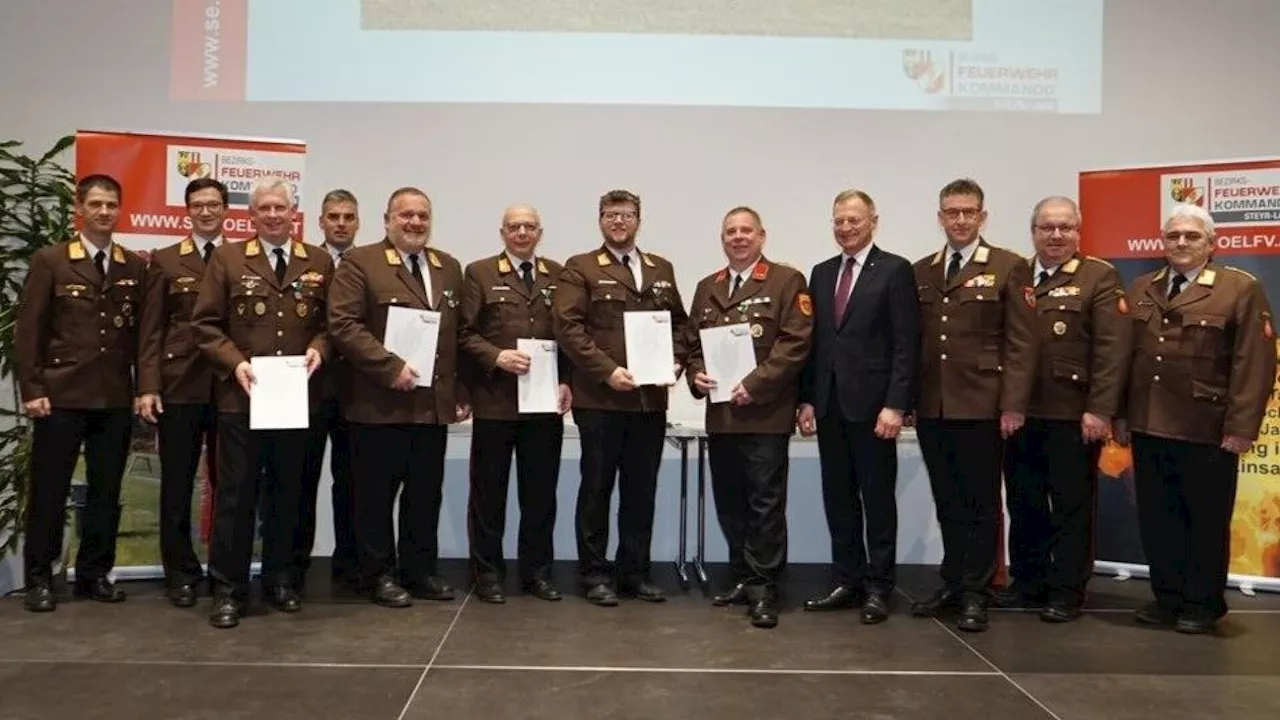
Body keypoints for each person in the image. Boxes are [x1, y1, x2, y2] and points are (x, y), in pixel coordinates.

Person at [1114, 202, 1277, 634]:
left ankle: (1202, 603)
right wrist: (1122, 416)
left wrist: (1242, 427)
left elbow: (1254, 364)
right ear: (1162, 242)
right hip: (1149, 423)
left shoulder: (1239, 289)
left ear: (1212, 243)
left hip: (1206, 428)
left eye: (1191, 236)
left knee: (1204, 521)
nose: (1181, 243)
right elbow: (1125, 359)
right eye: (1173, 236)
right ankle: (1167, 599)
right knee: (1157, 518)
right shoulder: (1143, 287)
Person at [191, 177, 334, 628]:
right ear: (251, 216)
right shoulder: (229, 258)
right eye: (265, 208)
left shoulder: (319, 260)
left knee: (288, 494)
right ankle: (228, 591)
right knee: (236, 497)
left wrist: (320, 348)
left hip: (295, 400)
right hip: (243, 398)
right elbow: (206, 325)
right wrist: (234, 363)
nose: (274, 215)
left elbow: (334, 324)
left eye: (281, 208)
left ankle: (281, 581)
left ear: (295, 213)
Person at [327, 186, 470, 608]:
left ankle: (420, 570)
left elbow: (454, 336)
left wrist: (459, 389)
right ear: (387, 219)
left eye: (423, 215)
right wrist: (391, 367)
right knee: (373, 498)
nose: (415, 222)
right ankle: (378, 574)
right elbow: (343, 325)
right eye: (405, 215)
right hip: (378, 405)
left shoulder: (448, 267)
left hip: (430, 407)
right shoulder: (361, 262)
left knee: (425, 495)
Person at [909, 177, 1040, 633]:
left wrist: (1014, 404)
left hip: (984, 405)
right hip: (934, 405)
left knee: (981, 501)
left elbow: (1023, 343)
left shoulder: (1009, 266)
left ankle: (976, 591)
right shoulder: (922, 269)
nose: (960, 220)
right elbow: (916, 344)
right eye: (951, 212)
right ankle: (953, 579)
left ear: (982, 216)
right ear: (940, 217)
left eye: (968, 212)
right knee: (947, 500)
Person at [15, 174, 148, 612]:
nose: (105, 211)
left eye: (112, 204)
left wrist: (142, 387)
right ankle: (40, 578)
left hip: (112, 397)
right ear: (80, 208)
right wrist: (32, 388)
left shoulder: (132, 265)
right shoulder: (51, 261)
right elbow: (28, 331)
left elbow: (141, 336)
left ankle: (95, 574)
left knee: (106, 492)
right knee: (50, 492)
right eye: (96, 204)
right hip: (61, 396)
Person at [997, 196, 1130, 622]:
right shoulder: (1016, 274)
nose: (1056, 235)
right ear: (1033, 232)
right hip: (1019, 413)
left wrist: (1100, 409)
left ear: (1078, 231)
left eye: (1065, 228)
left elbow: (1112, 350)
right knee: (1024, 501)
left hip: (1074, 415)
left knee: (1071, 505)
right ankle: (1028, 582)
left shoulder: (1099, 277)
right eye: (1047, 228)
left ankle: (1067, 590)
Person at [553, 189, 689, 606]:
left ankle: (635, 572)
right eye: (610, 215)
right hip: (600, 401)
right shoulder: (580, 268)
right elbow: (568, 327)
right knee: (596, 490)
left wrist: (677, 363)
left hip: (648, 403)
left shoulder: (660, 268)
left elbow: (681, 327)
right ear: (600, 220)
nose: (618, 222)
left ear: (638, 220)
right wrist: (607, 371)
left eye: (626, 214)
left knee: (640, 491)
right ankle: (594, 575)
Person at [686, 206, 812, 628]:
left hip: (764, 414)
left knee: (765, 505)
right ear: (723, 239)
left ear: (762, 235)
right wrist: (696, 375)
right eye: (730, 232)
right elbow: (691, 345)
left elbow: (795, 345)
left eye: (746, 231)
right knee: (731, 504)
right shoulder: (708, 287)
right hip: (721, 416)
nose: (738, 238)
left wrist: (754, 385)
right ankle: (743, 577)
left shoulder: (786, 281)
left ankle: (765, 587)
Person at [797, 189, 919, 624]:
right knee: (839, 500)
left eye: (853, 220)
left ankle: (879, 587)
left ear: (873, 221)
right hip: (830, 407)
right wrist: (808, 397)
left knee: (878, 501)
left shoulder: (895, 270)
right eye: (839, 221)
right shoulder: (821, 272)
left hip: (874, 412)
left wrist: (896, 405)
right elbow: (816, 345)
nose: (845, 228)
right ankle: (846, 581)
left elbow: (906, 345)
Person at [459, 204, 571, 603]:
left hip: (543, 403)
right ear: (502, 232)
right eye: (514, 227)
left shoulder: (559, 275)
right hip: (495, 403)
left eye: (529, 226)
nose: (522, 232)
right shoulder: (480, 272)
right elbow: (464, 333)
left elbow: (571, 335)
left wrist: (567, 381)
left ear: (540, 233)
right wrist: (496, 357)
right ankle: (487, 574)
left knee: (540, 495)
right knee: (489, 494)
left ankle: (537, 573)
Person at [136, 177, 229, 607]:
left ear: (227, 210)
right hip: (180, 386)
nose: (206, 212)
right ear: (187, 211)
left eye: (213, 204)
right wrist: (149, 385)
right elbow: (151, 328)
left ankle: (226, 569)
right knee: (177, 483)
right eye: (198, 205)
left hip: (232, 388)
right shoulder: (167, 260)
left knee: (231, 483)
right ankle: (181, 573)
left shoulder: (241, 256)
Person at [297, 189, 360, 587]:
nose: (340, 223)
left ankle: (350, 564)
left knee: (353, 482)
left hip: (358, 391)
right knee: (300, 479)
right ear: (320, 222)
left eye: (348, 217)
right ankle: (295, 565)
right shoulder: (303, 263)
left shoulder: (370, 264)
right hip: (308, 390)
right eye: (333, 216)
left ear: (358, 222)